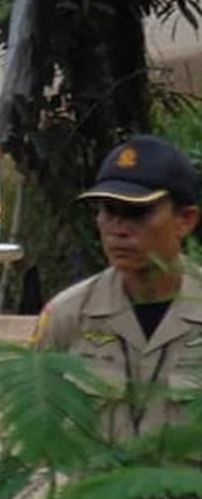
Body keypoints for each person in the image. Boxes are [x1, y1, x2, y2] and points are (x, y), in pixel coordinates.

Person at [30, 134, 202, 440]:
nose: (118, 229)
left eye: (137, 212)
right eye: (108, 210)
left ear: (185, 220)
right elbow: (35, 433)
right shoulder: (68, 316)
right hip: (96, 485)